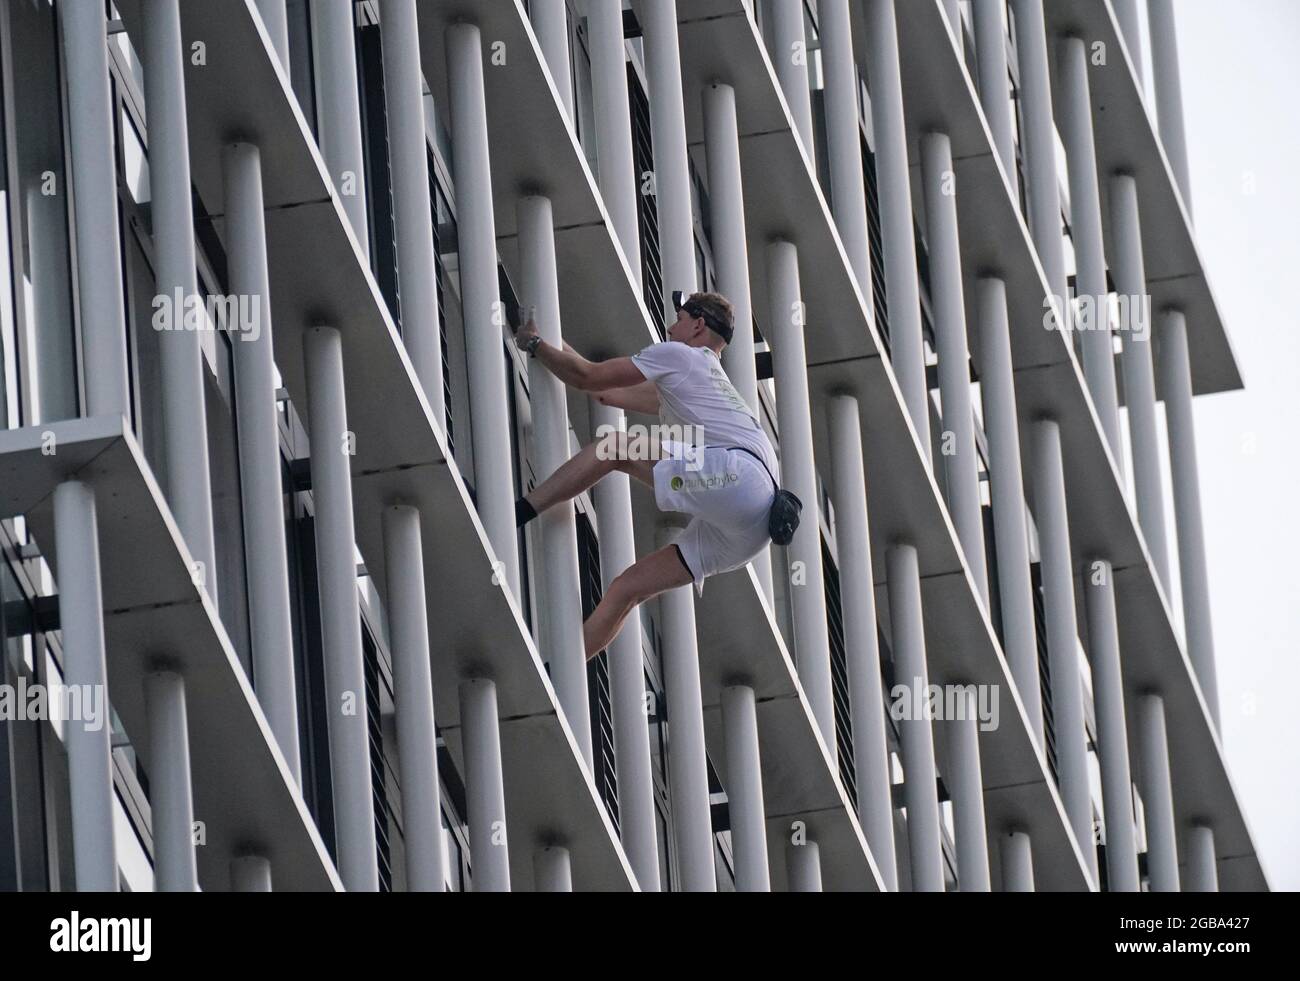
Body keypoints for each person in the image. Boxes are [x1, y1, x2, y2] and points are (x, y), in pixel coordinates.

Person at [513, 290, 779, 660]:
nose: (671, 328)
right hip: (753, 529)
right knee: (627, 589)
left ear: (698, 325)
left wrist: (535, 344)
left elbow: (588, 377)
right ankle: (561, 672)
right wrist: (551, 339)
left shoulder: (679, 356)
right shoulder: (704, 383)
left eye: (680, 318)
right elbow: (606, 392)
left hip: (739, 477)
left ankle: (518, 513)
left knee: (615, 447)